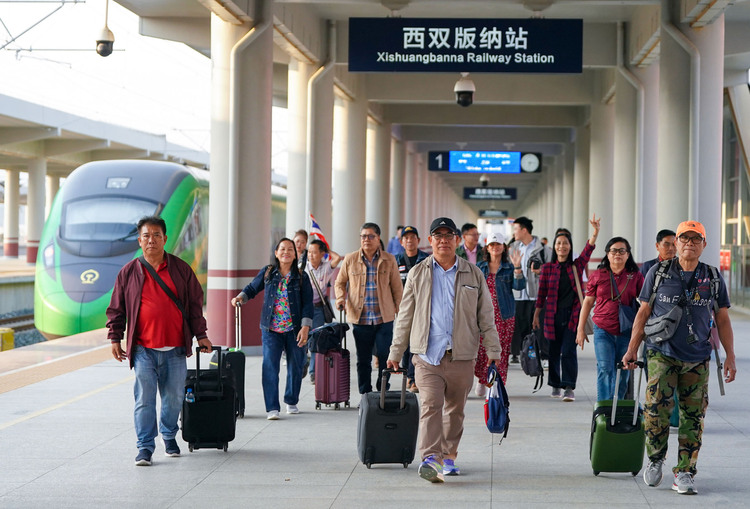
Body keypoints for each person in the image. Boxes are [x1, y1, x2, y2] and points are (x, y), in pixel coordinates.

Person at [622, 220, 737, 496]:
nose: (689, 243)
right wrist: (631, 349)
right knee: (656, 411)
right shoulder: (658, 272)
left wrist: (730, 355)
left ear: (704, 244)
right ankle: (656, 458)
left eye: (696, 239)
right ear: (676, 241)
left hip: (698, 357)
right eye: (684, 238)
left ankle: (685, 471)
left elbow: (722, 318)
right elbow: (643, 313)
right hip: (662, 353)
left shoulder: (712, 276)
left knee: (693, 417)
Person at [387, 217, 501, 483]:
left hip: (461, 354)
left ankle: (448, 456)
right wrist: (395, 352)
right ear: (431, 241)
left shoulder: (473, 273)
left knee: (455, 410)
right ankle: (430, 458)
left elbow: (486, 316)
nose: (443, 240)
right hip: (427, 355)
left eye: (449, 235)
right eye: (438, 236)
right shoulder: (417, 273)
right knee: (430, 405)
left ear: (457, 240)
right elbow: (405, 315)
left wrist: (493, 351)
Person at [107, 215, 213, 467]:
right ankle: (144, 447)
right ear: (139, 240)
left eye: (156, 235)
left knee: (174, 397)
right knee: (144, 399)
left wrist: (201, 335)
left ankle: (168, 435)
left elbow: (195, 306)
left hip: (175, 348)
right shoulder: (129, 272)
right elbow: (116, 308)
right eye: (146, 235)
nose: (151, 240)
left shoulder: (180, 269)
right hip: (143, 348)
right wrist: (115, 337)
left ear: (165, 239)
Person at [231, 238, 313, 420]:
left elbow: (308, 304)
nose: (286, 252)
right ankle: (272, 408)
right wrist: (241, 297)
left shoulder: (301, 276)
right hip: (271, 330)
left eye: (290, 249)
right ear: (276, 253)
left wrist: (305, 327)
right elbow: (252, 288)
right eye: (282, 249)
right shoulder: (268, 272)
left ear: (295, 254)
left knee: (296, 366)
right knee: (270, 367)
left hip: (295, 330)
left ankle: (291, 401)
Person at [533, 215, 600, 402]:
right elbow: (542, 294)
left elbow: (588, 250)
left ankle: (569, 386)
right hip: (551, 316)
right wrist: (536, 314)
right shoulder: (547, 268)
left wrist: (595, 232)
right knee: (553, 351)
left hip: (572, 316)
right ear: (554, 247)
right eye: (558, 243)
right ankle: (555, 384)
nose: (561, 246)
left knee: (568, 351)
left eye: (565, 244)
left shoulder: (576, 266)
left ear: (570, 247)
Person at [335, 222, 402, 395]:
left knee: (384, 356)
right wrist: (341, 298)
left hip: (384, 318)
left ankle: (382, 392)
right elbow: (340, 282)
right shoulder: (350, 259)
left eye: (371, 236)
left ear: (378, 238)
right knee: (363, 359)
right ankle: (365, 394)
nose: (366, 240)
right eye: (363, 236)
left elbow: (397, 288)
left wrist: (400, 311)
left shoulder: (389, 259)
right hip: (360, 318)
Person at [576, 237, 644, 401]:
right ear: (607, 254)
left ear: (628, 255)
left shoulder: (635, 276)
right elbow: (588, 302)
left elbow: (645, 305)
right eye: (614, 250)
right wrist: (580, 329)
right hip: (602, 329)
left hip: (626, 330)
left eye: (622, 251)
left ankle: (618, 406)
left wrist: (642, 332)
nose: (618, 254)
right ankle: (604, 408)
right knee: (605, 368)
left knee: (623, 368)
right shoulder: (598, 275)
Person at [476, 232, 525, 392]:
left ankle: (496, 382)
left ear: (503, 247)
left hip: (504, 316)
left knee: (501, 351)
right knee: (482, 349)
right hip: (483, 316)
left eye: (498, 245)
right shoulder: (479, 267)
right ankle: (482, 379)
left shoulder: (509, 267)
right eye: (491, 245)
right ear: (487, 248)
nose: (495, 248)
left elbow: (519, 287)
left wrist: (518, 267)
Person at [508, 216, 553, 363]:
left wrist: (542, 271)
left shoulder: (543, 249)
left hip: (537, 295)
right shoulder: (513, 248)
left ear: (524, 230)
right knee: (519, 326)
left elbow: (552, 269)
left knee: (539, 327)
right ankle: (520, 355)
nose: (514, 232)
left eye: (516, 229)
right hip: (518, 294)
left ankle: (544, 356)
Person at [395, 225, 429, 392]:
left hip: (422, 309)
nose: (409, 241)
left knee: (416, 343)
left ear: (418, 240)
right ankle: (408, 375)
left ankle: (413, 378)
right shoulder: (396, 261)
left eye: (412, 237)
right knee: (404, 343)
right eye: (406, 238)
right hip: (402, 309)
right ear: (402, 242)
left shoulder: (427, 259)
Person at [305, 239, 341, 384]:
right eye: (309, 252)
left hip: (319, 309)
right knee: (303, 340)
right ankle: (304, 362)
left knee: (316, 340)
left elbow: (337, 258)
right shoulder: (303, 268)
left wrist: (328, 248)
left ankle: (313, 371)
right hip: (304, 309)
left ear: (322, 254)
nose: (311, 255)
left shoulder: (326, 267)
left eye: (314, 252)